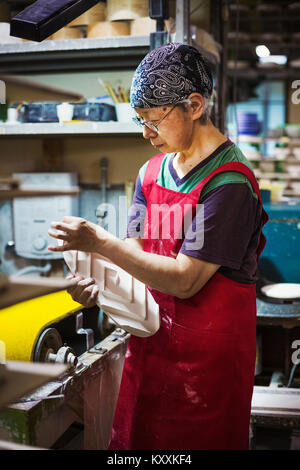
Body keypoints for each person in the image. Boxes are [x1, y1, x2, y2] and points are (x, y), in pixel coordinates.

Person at [48, 42, 268, 450]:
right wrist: (101, 287)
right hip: (149, 351)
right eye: (140, 121)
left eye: (154, 120)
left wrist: (99, 241)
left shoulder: (229, 185)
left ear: (195, 105)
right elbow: (134, 258)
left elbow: (185, 281)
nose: (145, 134)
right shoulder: (151, 173)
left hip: (206, 371)